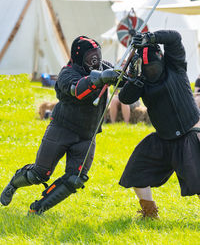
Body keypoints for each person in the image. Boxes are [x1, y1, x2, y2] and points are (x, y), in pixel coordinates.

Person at [0, 36, 119, 215]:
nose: (96, 61)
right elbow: (78, 91)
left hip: (87, 135)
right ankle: (13, 185)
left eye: (97, 56)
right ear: (79, 58)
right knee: (39, 174)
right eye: (91, 57)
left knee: (76, 179)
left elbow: (126, 83)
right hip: (62, 129)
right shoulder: (67, 73)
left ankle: (37, 209)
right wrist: (100, 79)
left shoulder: (104, 67)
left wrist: (130, 71)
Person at [118, 30, 200, 219]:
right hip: (163, 138)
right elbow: (125, 97)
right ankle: (149, 213)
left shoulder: (176, 65)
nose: (152, 71)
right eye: (148, 69)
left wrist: (149, 37)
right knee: (136, 171)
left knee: (198, 180)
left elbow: (175, 37)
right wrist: (134, 77)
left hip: (190, 133)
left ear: (162, 60)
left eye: (154, 67)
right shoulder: (142, 80)